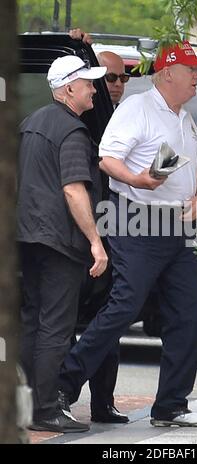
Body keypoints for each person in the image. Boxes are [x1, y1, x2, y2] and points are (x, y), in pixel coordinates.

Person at [59, 40, 197, 428]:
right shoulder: (137, 109)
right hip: (136, 218)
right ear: (167, 74)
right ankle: (62, 387)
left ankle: (172, 406)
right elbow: (107, 159)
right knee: (125, 307)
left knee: (190, 312)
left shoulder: (185, 117)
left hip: (179, 225)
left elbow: (194, 167)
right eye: (191, 70)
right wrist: (140, 180)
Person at [17, 54, 108, 433]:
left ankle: (23, 404)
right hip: (58, 240)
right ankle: (45, 409)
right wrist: (95, 242)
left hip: (25, 237)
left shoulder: (30, 122)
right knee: (56, 325)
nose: (93, 90)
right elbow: (73, 190)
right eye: (88, 83)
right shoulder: (73, 130)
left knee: (30, 321)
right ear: (69, 88)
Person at [67, 29, 129, 424]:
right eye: (108, 78)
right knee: (61, 322)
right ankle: (59, 392)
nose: (116, 85)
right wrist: (83, 49)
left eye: (123, 77)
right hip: (79, 231)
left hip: (115, 231)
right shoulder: (87, 116)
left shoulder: (133, 115)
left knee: (106, 323)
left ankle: (101, 402)